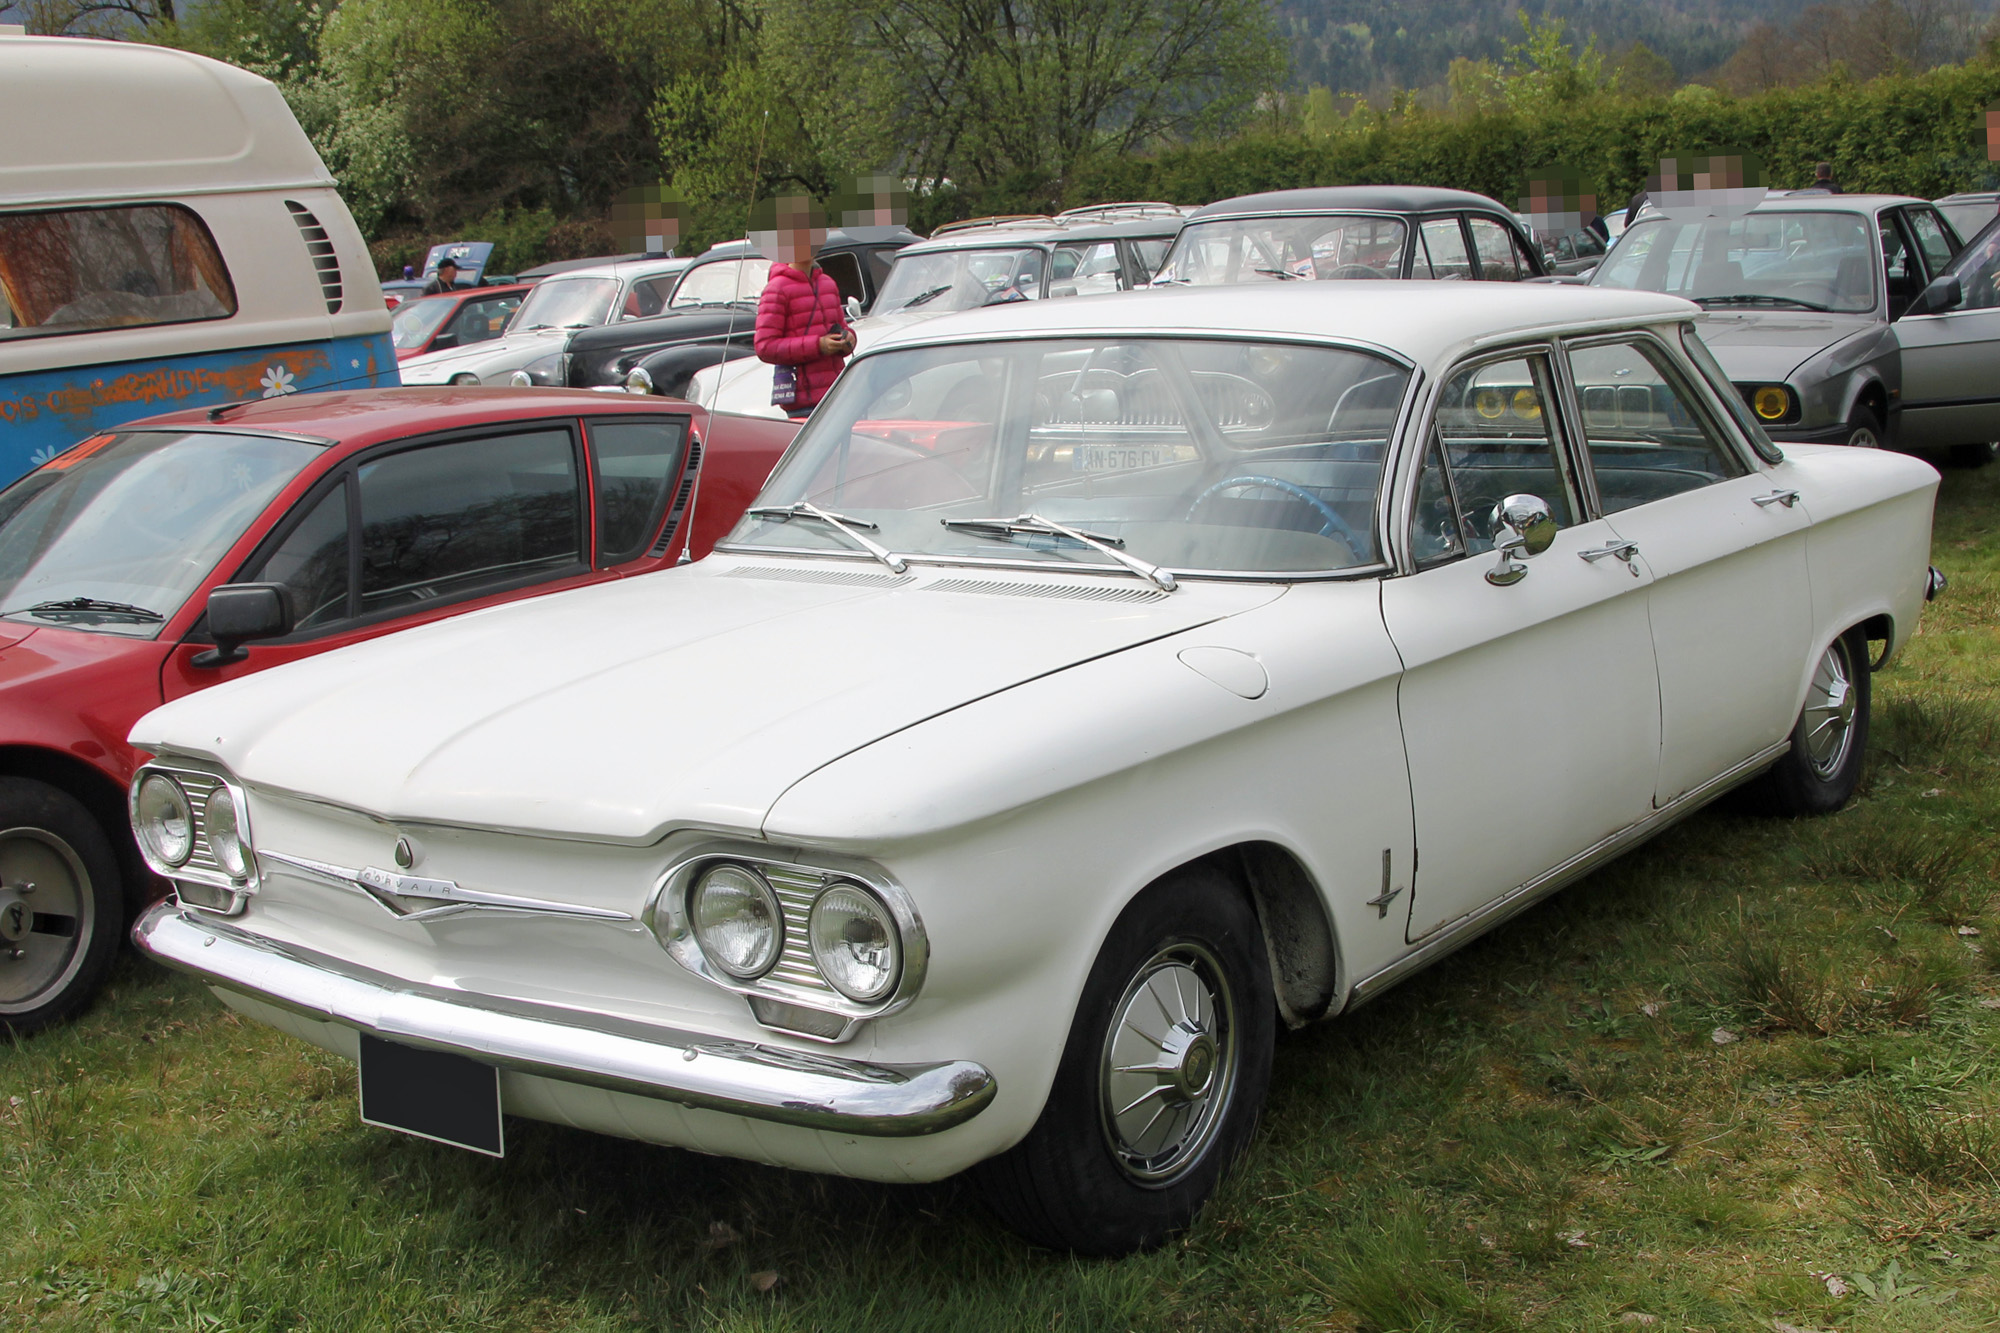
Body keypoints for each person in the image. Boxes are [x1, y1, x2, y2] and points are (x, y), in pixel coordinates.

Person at [753, 199, 853, 420]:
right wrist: (818, 346)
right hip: (802, 402)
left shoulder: (827, 283)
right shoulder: (776, 289)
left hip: (836, 394)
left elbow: (843, 327)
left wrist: (848, 340)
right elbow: (765, 346)